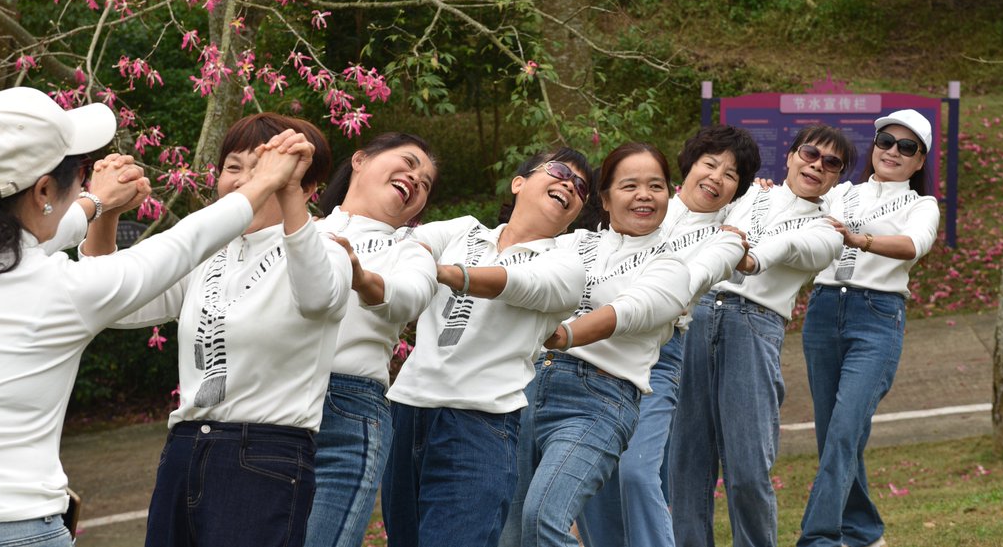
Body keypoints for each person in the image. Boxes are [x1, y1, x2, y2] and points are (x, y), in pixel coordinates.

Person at [0, 86, 303, 547]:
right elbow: (185, 242)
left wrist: (96, 201)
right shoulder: (65, 290)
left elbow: (32, 234)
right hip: (13, 528)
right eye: (80, 174)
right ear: (45, 189)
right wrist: (264, 181)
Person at [114, 112, 351, 547]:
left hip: (266, 453)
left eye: (261, 169)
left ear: (306, 184)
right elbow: (117, 307)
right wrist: (105, 214)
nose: (243, 180)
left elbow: (318, 297)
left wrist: (289, 190)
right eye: (233, 167)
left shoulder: (325, 250)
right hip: (185, 446)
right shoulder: (207, 252)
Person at [507, 142, 746, 547]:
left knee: (553, 514)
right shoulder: (573, 243)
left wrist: (563, 334)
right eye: (629, 185)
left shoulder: (687, 254)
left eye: (654, 185)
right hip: (533, 382)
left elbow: (632, 309)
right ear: (604, 198)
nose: (643, 195)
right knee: (511, 532)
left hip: (608, 387)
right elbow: (516, 266)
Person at [381, 148, 591, 547]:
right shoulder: (463, 230)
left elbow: (514, 284)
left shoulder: (565, 267)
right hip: (407, 409)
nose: (569, 184)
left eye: (580, 187)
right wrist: (420, 262)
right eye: (560, 171)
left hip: (480, 425)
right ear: (519, 183)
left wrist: (440, 272)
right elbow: (408, 245)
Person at [576, 126, 762, 547]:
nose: (716, 177)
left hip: (658, 350)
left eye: (731, 175)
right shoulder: (642, 208)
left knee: (638, 472)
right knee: (595, 476)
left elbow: (679, 293)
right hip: (594, 351)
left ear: (739, 189)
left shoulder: (725, 235)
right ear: (689, 167)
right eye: (710, 164)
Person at [670, 124, 853, 547]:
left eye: (831, 163)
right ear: (789, 155)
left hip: (754, 326)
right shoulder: (749, 191)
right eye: (810, 153)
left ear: (837, 177)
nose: (817, 165)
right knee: (686, 462)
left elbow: (787, 248)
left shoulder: (828, 231)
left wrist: (747, 258)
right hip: (697, 317)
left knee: (748, 468)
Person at [797, 110, 940, 547]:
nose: (893, 151)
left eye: (907, 147)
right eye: (885, 141)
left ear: (919, 162)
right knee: (834, 434)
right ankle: (864, 531)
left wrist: (862, 241)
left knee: (845, 429)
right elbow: (799, 210)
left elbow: (914, 245)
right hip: (823, 311)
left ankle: (819, 537)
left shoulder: (922, 204)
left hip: (877, 316)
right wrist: (767, 192)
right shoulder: (842, 192)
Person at [304, 133, 440, 547]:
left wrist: (363, 279)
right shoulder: (301, 228)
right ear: (360, 160)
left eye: (426, 182)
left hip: (351, 408)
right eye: (409, 162)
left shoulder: (410, 248)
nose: (416, 179)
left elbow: (411, 296)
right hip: (272, 401)